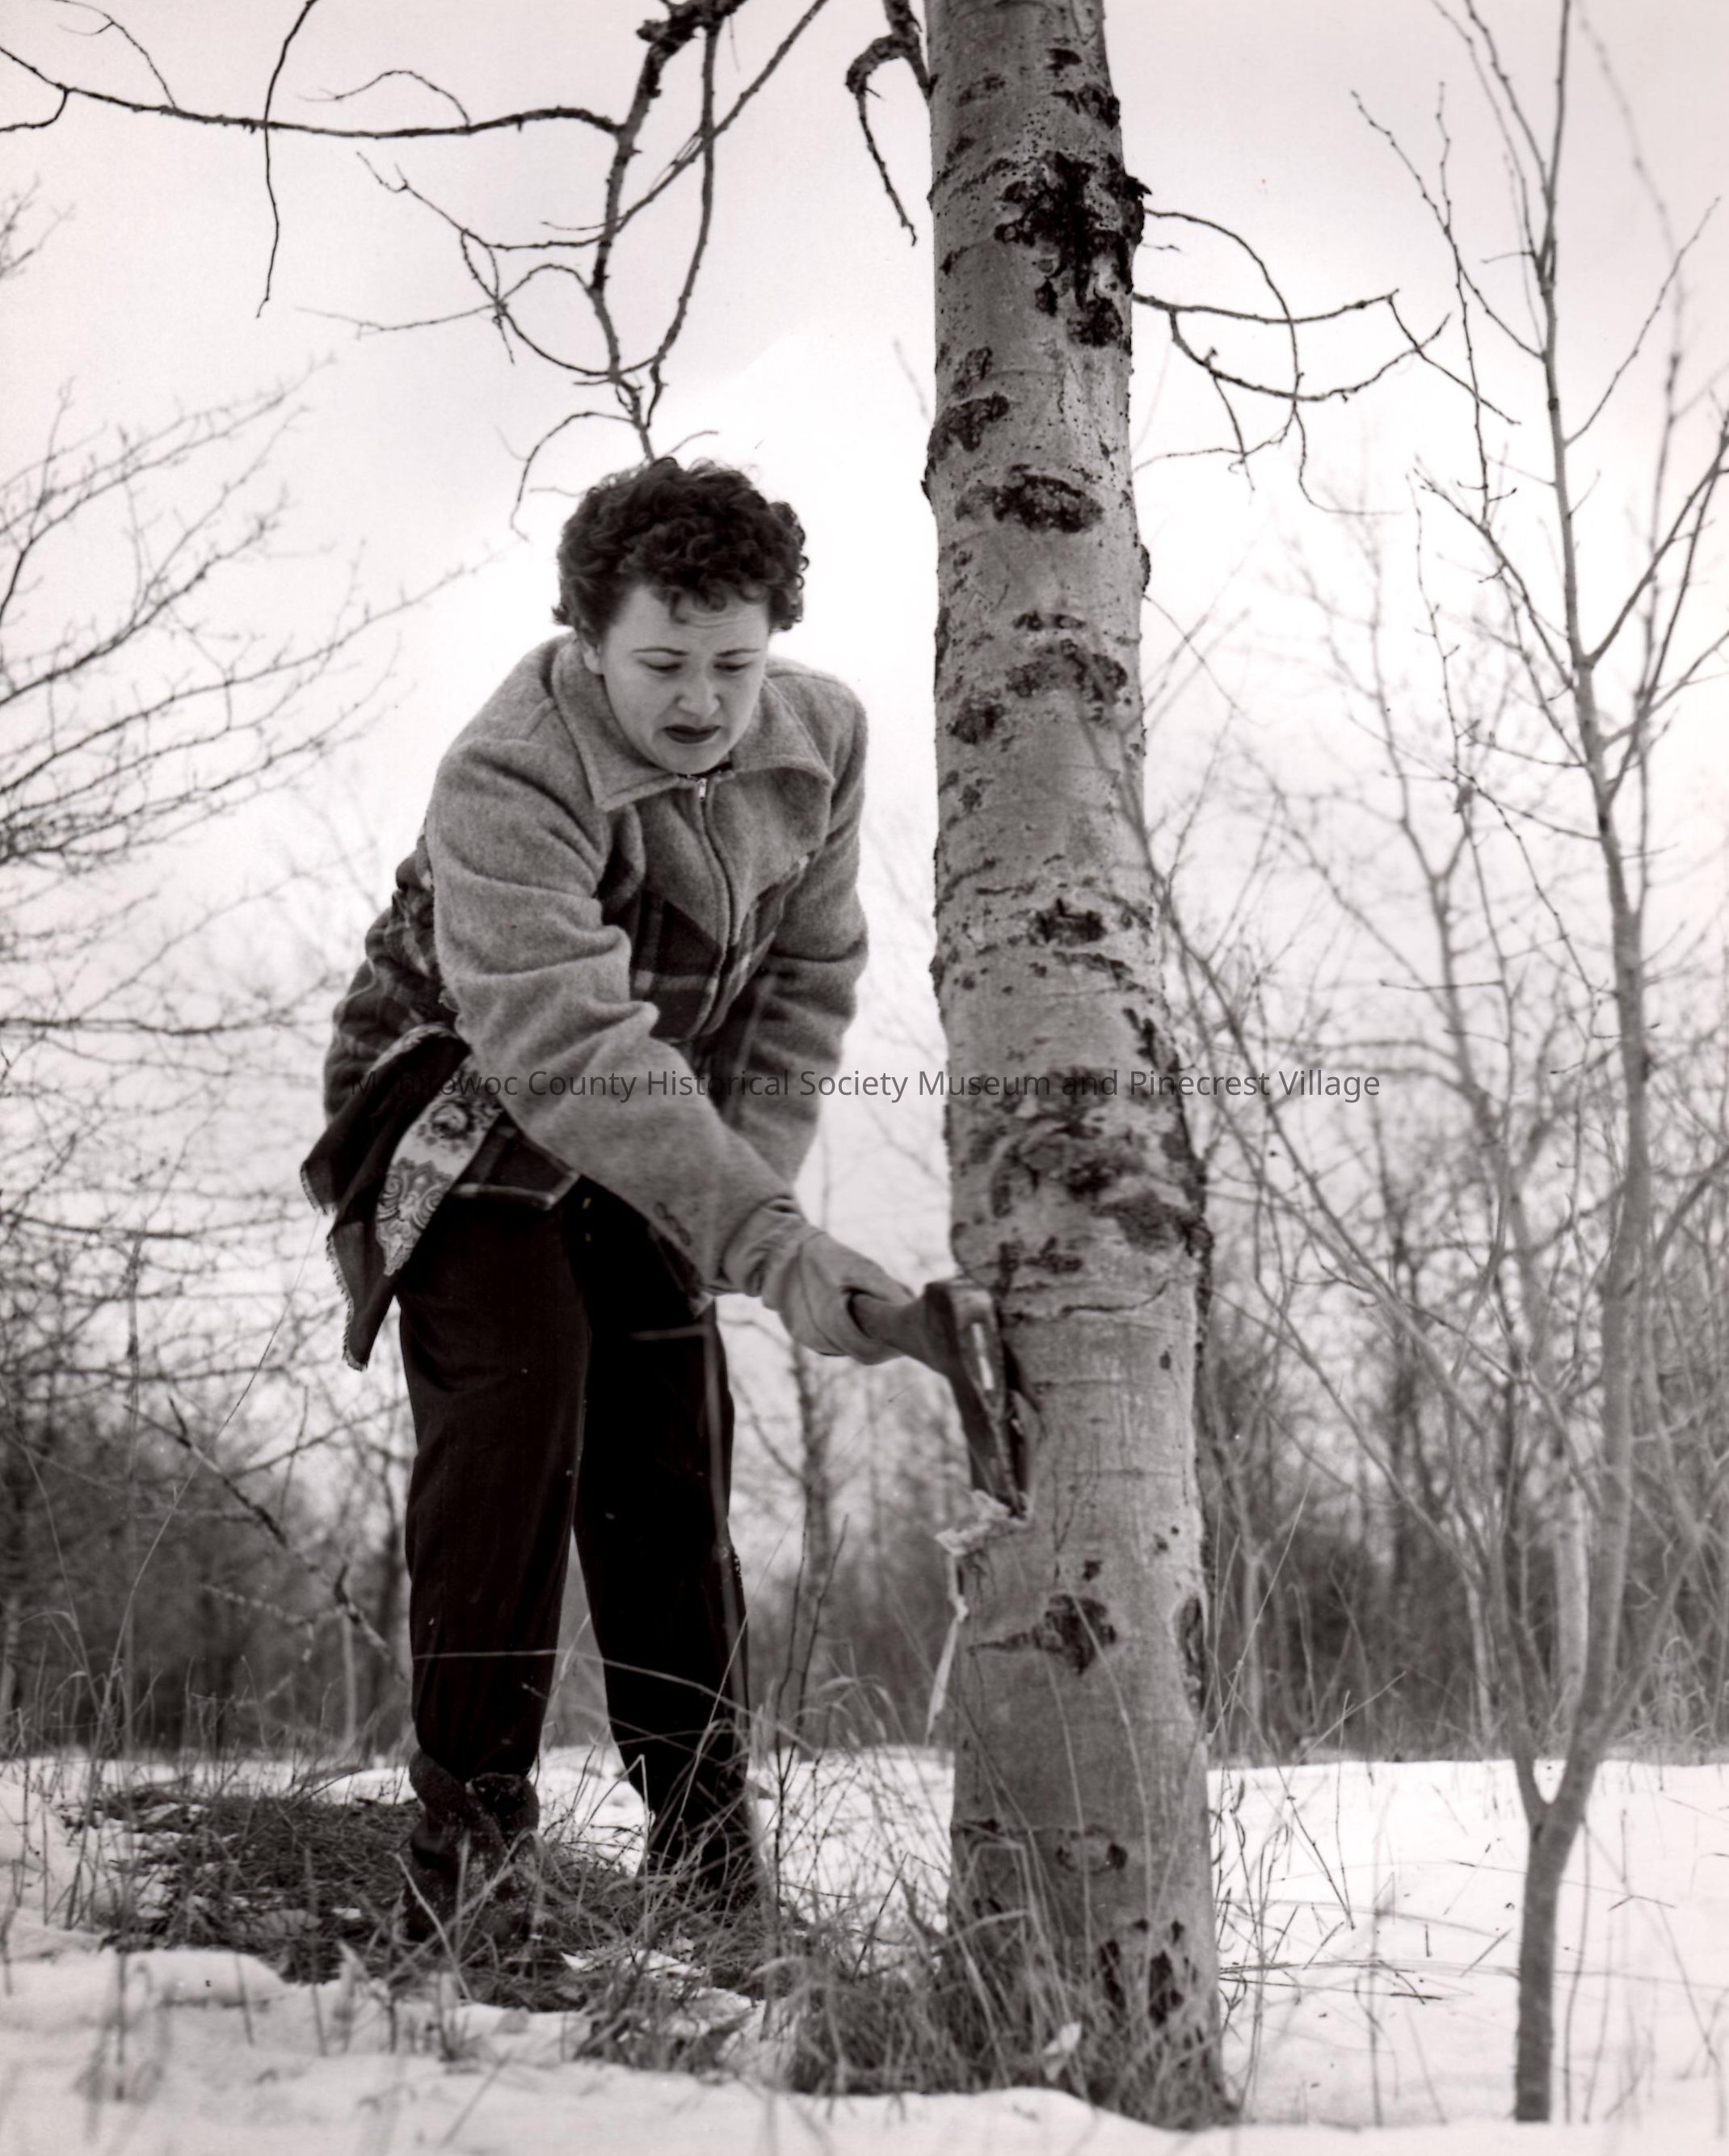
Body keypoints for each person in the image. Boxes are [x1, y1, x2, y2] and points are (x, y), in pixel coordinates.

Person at [302, 457, 912, 1944]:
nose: (703, 701)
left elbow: (806, 983)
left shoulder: (821, 739)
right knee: (523, 1402)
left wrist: (745, 1214)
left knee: (668, 1443)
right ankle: (468, 1855)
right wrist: (763, 1236)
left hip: (657, 1116)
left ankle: (706, 1860)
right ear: (587, 636)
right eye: (663, 663)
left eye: (733, 664)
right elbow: (567, 1048)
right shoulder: (510, 770)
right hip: (462, 1105)